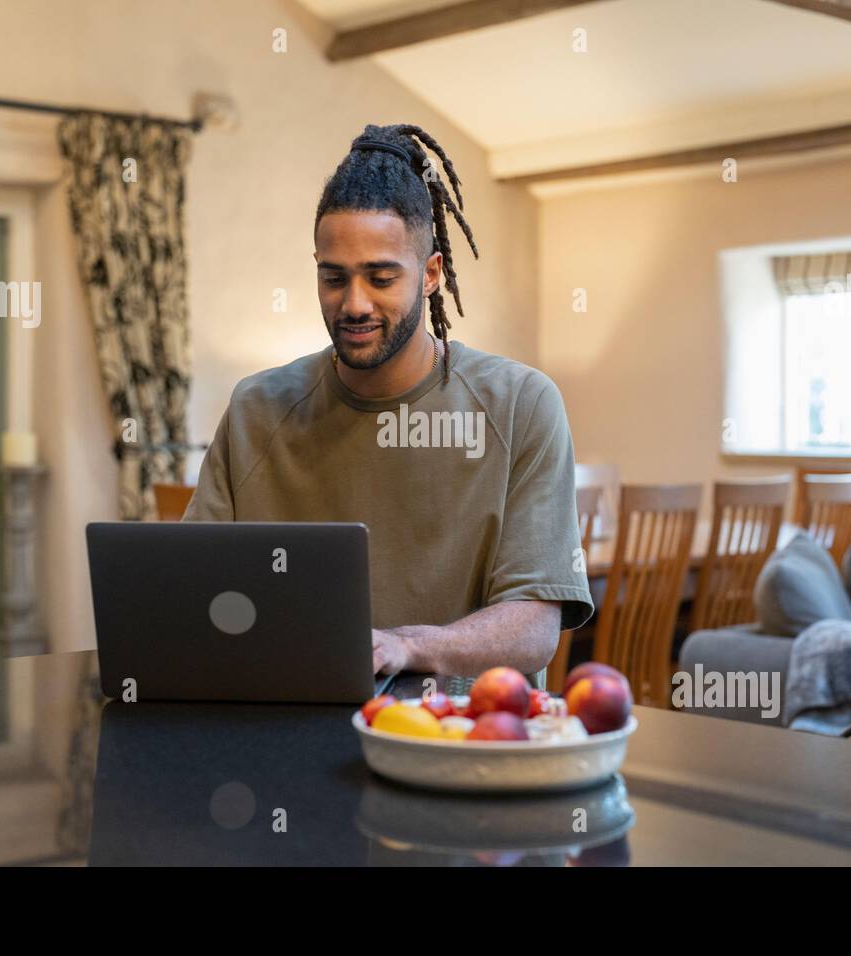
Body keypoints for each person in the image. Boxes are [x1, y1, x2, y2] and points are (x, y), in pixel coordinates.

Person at [184, 123, 593, 686]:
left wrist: (403, 647)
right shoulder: (257, 407)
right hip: (289, 731)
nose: (353, 304)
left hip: (459, 742)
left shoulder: (522, 404)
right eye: (334, 278)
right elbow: (194, 590)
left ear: (430, 275)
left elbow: (534, 629)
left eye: (380, 278)